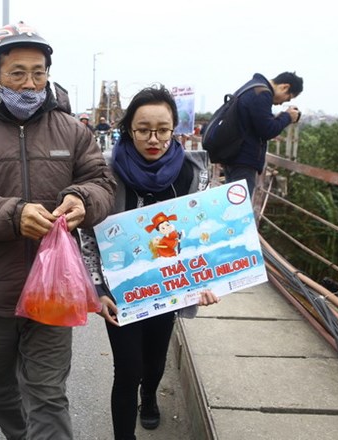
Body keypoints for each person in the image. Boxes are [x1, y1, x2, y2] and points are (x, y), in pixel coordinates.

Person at [0, 22, 116, 440]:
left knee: (47, 395)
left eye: (38, 72)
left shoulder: (72, 130)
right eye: (17, 73)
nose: (29, 84)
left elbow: (103, 183)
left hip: (55, 292)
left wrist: (84, 199)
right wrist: (12, 215)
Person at [79, 85, 220, 440]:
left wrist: (206, 279)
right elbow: (89, 235)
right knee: (127, 369)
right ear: (128, 128)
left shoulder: (190, 174)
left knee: (154, 362)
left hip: (168, 288)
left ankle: (151, 395)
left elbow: (201, 233)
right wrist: (97, 288)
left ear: (176, 129)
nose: (153, 138)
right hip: (120, 292)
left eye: (162, 129)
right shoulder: (106, 174)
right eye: (143, 129)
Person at [221, 71, 303, 196]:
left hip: (233, 156)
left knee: (232, 204)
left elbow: (258, 123)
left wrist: (280, 117)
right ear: (284, 87)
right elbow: (267, 130)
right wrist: (287, 117)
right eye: (288, 97)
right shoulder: (262, 93)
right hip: (243, 162)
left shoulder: (253, 87)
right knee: (239, 208)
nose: (282, 103)